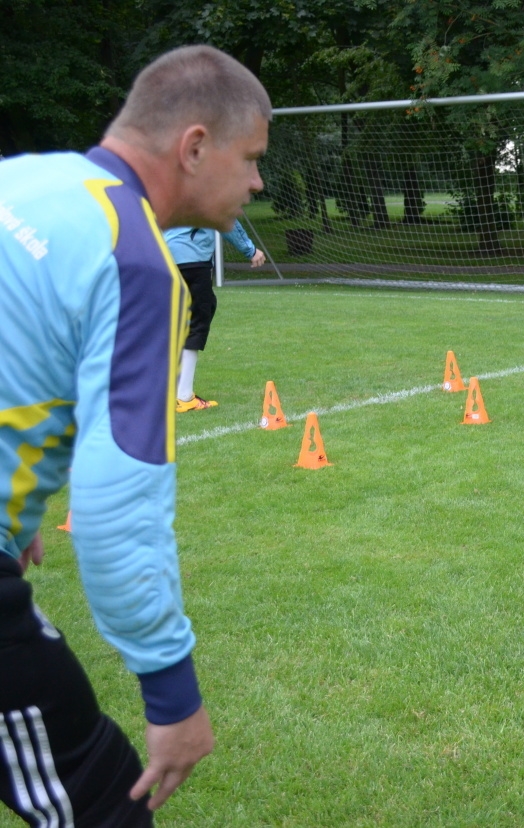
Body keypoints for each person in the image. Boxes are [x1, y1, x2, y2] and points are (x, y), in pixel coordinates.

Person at [0, 45, 269, 824]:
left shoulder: (25, 177)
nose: (256, 183)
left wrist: (12, 517)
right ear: (194, 147)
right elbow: (119, 512)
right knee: (102, 796)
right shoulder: (137, 261)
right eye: (250, 158)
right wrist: (172, 694)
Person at [164, 222, 266, 411]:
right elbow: (226, 219)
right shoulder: (206, 191)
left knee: (176, 321)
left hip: (164, 257)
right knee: (195, 323)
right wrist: (250, 250)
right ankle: (184, 396)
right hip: (192, 260)